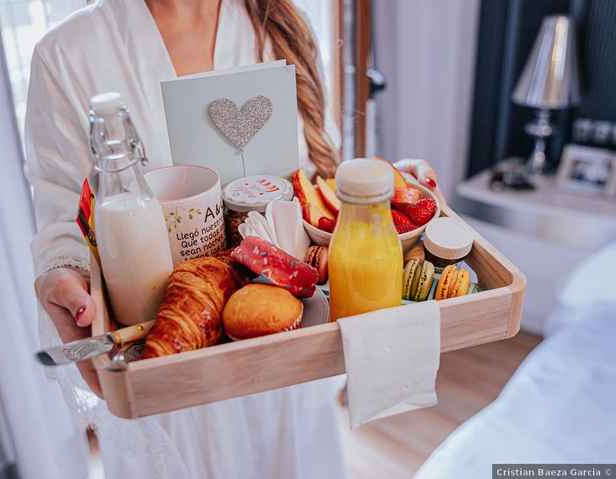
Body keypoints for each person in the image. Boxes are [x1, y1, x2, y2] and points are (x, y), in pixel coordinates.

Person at [25, 1, 437, 477]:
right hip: (170, 373)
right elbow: (63, 218)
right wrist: (63, 269)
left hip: (283, 358)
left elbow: (311, 184)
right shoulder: (67, 55)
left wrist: (385, 193)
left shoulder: (277, 23)